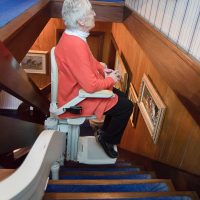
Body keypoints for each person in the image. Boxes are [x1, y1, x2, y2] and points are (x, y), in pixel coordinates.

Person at [55, 0, 133, 158]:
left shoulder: (73, 35)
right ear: (81, 21)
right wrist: (110, 79)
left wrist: (103, 70)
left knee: (122, 98)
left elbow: (90, 60)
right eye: (91, 12)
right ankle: (107, 139)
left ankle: (104, 132)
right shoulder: (75, 45)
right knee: (126, 106)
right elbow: (90, 86)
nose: (95, 14)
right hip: (76, 98)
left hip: (74, 88)